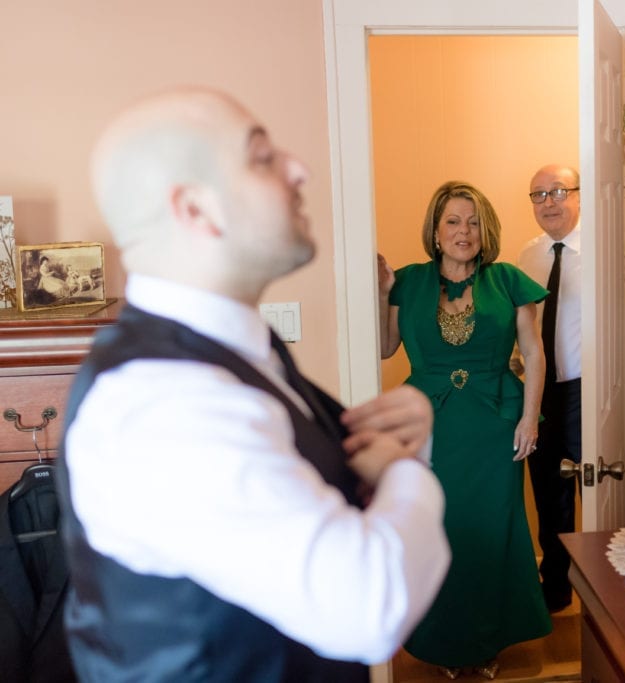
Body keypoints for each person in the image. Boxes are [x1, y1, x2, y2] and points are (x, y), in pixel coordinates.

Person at [57, 86, 450, 682]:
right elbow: (369, 607)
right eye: (263, 157)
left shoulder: (238, 352)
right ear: (196, 209)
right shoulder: (164, 405)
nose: (301, 168)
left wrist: (400, 439)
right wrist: (406, 472)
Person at [378, 180, 552, 679]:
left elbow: (535, 354)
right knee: (439, 527)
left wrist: (529, 418)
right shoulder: (408, 282)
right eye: (453, 221)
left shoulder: (509, 281)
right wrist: (380, 291)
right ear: (435, 230)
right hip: (429, 427)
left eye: (474, 222)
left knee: (493, 532)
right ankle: (442, 640)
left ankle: (484, 643)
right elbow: (387, 347)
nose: (464, 231)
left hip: (495, 424)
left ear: (486, 230)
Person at [516, 164, 583, 613]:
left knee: (595, 487)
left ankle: (603, 587)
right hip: (541, 391)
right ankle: (555, 585)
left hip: (589, 391)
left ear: (579, 195)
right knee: (548, 490)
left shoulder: (603, 250)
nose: (549, 203)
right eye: (538, 195)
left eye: (558, 191)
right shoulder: (528, 256)